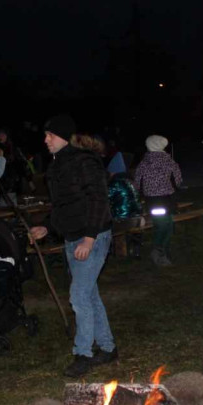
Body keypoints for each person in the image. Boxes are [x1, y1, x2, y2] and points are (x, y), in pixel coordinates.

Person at [28, 115, 118, 378]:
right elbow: (64, 205)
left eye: (50, 135)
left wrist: (89, 238)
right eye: (45, 135)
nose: (45, 140)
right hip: (71, 237)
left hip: (93, 236)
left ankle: (83, 354)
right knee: (89, 295)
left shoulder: (85, 161)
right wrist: (47, 225)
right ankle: (108, 348)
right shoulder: (56, 167)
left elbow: (98, 200)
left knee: (78, 295)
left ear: (63, 136)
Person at [133, 135, 183, 267]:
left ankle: (163, 251)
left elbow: (137, 183)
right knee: (165, 225)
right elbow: (178, 181)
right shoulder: (169, 161)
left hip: (152, 200)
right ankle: (159, 251)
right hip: (167, 199)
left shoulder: (143, 163)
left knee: (163, 224)